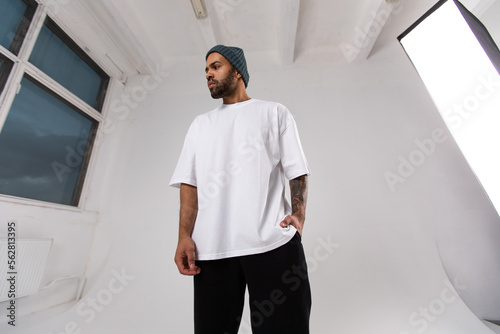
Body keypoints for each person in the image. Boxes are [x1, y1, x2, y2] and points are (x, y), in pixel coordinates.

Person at [170, 45, 311, 334]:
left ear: (237, 71)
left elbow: (296, 170)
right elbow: (189, 183)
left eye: (215, 66)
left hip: (272, 244)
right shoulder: (200, 125)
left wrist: (298, 216)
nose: (208, 73)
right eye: (206, 69)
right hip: (212, 249)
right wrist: (184, 236)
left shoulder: (274, 112)